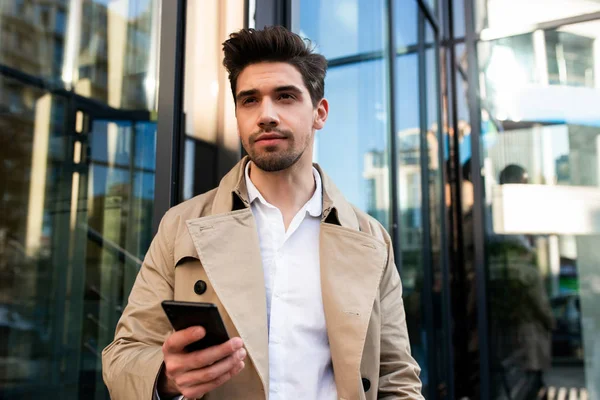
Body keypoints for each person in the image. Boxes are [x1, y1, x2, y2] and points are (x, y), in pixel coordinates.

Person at [102, 26, 423, 400]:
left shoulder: (370, 237)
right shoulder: (182, 226)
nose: (266, 115)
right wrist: (167, 379)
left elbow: (397, 378)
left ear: (320, 113)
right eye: (249, 100)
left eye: (285, 97)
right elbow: (122, 356)